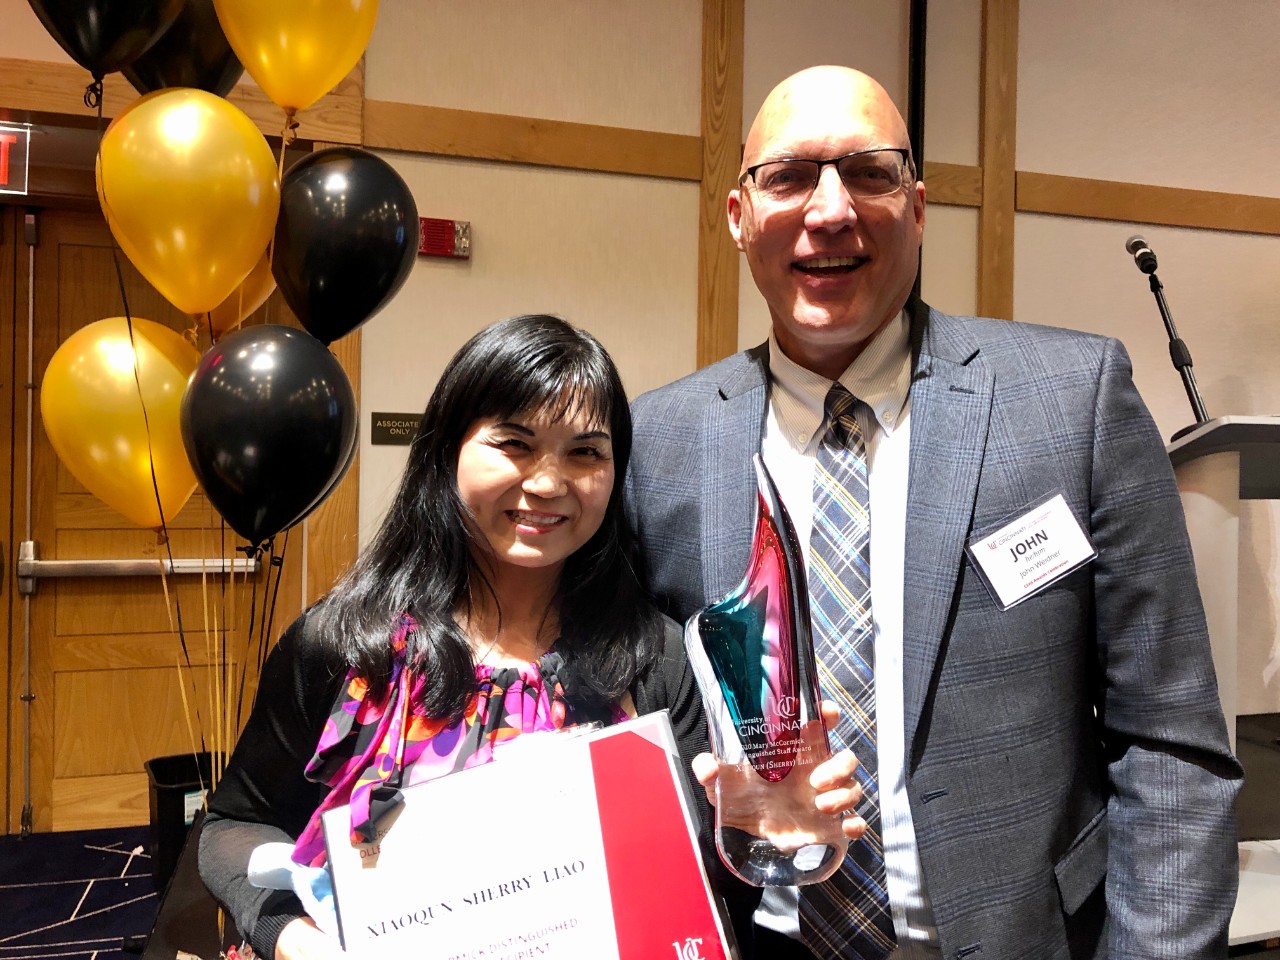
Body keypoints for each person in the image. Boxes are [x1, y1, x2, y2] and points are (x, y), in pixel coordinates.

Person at [627, 66, 1242, 960]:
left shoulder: (1074, 400)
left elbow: (1171, 744)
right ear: (738, 216)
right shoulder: (658, 440)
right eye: (791, 176)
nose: (831, 210)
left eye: (869, 174)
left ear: (917, 207)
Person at [198, 314, 861, 960]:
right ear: (447, 450)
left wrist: (752, 839)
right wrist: (294, 942)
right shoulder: (346, 645)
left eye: (585, 453)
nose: (547, 482)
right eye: (513, 444)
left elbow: (692, 907)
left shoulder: (653, 661)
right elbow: (233, 826)